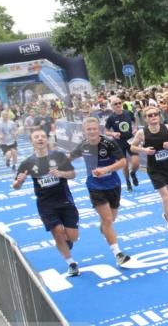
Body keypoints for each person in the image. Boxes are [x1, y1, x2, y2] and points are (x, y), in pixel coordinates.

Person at [13, 127, 80, 276]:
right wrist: (19, 182)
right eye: (36, 137)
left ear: (47, 139)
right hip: (46, 205)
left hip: (65, 201)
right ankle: (71, 263)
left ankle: (66, 242)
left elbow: (73, 174)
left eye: (42, 136)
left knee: (73, 237)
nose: (40, 139)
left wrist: (61, 173)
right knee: (57, 232)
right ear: (32, 141)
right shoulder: (27, 163)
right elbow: (16, 186)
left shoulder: (59, 156)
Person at [68, 117, 131, 267]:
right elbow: (69, 158)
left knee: (110, 220)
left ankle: (104, 227)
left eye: (94, 129)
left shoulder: (109, 143)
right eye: (88, 129)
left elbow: (123, 162)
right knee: (108, 220)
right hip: (95, 187)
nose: (91, 132)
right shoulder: (82, 146)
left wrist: (105, 169)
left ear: (99, 130)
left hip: (113, 185)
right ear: (84, 131)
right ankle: (118, 254)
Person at [130, 106, 168, 240]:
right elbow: (131, 146)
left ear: (159, 116)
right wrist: (144, 150)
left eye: (155, 114)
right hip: (154, 169)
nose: (153, 116)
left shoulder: (167, 128)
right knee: (165, 196)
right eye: (150, 115)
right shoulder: (142, 133)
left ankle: (167, 215)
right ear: (146, 119)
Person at [104, 96, 140, 191]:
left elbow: (135, 120)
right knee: (125, 164)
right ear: (112, 106)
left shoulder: (128, 113)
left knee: (136, 162)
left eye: (120, 103)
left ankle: (133, 173)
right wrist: (113, 133)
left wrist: (135, 128)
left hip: (131, 140)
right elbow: (106, 131)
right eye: (115, 104)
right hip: (119, 143)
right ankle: (128, 181)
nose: (118, 105)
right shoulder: (111, 118)